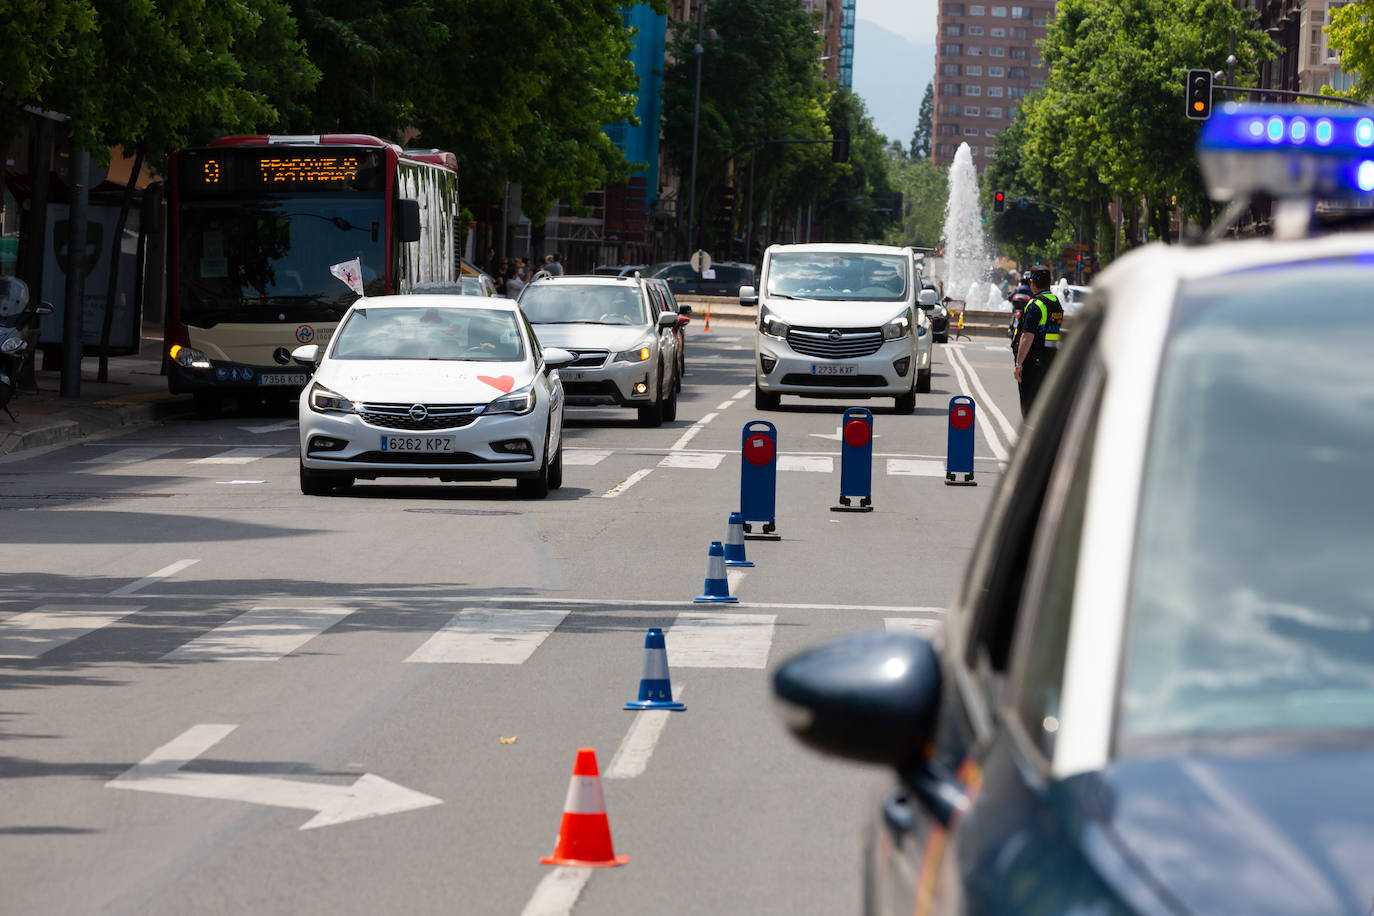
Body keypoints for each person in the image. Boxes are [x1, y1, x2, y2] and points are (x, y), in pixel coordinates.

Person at [1012, 267, 1063, 417]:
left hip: (1033, 363)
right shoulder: (1055, 302)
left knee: (1029, 405)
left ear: (1032, 282)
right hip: (1050, 359)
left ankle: (1031, 436)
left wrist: (1019, 364)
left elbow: (1027, 336)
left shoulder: (1036, 304)